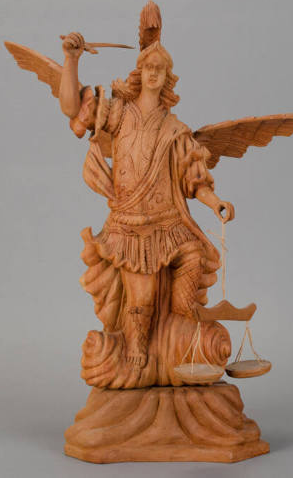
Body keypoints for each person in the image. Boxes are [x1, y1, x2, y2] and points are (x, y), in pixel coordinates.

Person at [59, 32, 234, 369]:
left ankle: (179, 332)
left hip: (168, 224)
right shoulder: (118, 113)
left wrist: (215, 202)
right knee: (141, 299)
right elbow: (71, 108)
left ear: (168, 77)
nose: (153, 73)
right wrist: (71, 60)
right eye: (148, 67)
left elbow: (193, 178)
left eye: (160, 68)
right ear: (139, 73)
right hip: (130, 227)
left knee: (194, 256)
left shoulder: (175, 130)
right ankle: (137, 350)